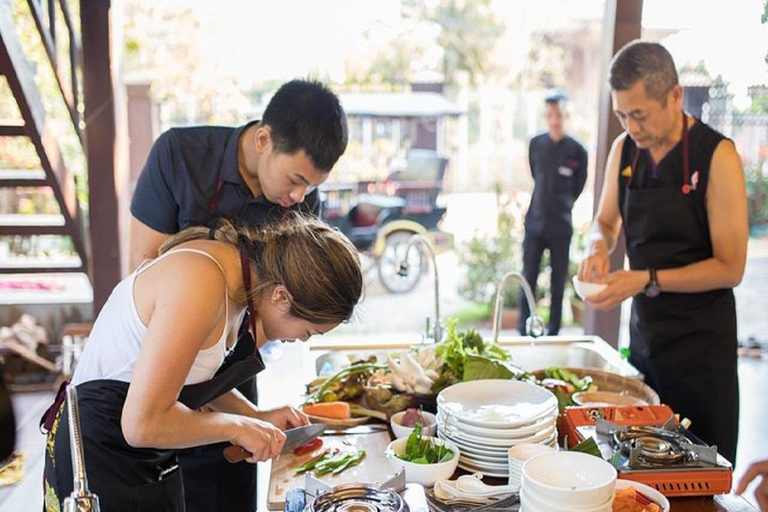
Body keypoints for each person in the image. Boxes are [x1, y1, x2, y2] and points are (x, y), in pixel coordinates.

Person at [42, 215, 364, 512]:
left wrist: (255, 416)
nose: (304, 340)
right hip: (99, 454)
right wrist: (236, 427)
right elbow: (141, 424)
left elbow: (190, 372)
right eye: (309, 331)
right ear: (281, 296)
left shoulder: (238, 283)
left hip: (137, 458)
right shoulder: (201, 282)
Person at [128, 78, 348, 511]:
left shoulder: (301, 201)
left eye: (312, 187)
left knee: (230, 493)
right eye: (296, 179)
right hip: (158, 367)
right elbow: (144, 264)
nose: (300, 197)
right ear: (264, 139)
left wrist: (250, 415)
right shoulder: (179, 155)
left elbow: (273, 320)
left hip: (228, 373)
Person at [578, 41, 747, 464]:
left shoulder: (717, 156)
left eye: (639, 114)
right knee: (641, 467)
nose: (631, 126)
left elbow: (731, 267)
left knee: (701, 472)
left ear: (675, 97)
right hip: (648, 340)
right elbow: (604, 222)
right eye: (622, 114)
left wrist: (646, 279)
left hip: (703, 351)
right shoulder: (625, 150)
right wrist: (597, 247)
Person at [519, 91, 588, 335]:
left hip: (561, 226)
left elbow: (578, 188)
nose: (554, 120)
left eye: (558, 115)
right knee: (527, 278)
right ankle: (523, 331)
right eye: (549, 115)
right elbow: (535, 175)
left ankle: (554, 333)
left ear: (566, 115)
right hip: (535, 223)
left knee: (558, 284)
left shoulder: (578, 151)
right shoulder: (536, 144)